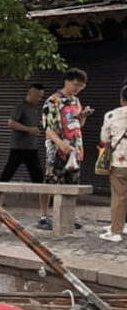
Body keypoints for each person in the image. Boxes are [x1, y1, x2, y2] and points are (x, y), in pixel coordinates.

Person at [38, 68, 94, 230]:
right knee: (50, 182)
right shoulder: (53, 101)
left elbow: (78, 125)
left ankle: (66, 216)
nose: (77, 88)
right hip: (57, 148)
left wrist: (82, 116)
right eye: (76, 84)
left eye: (81, 86)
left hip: (75, 147)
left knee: (71, 184)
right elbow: (48, 128)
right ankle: (44, 216)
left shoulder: (76, 101)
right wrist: (60, 143)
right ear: (66, 81)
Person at [0, 84, 46, 183]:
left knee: (38, 176)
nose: (39, 99)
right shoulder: (21, 106)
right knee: (8, 173)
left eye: (41, 96)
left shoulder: (35, 108)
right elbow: (11, 123)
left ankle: (46, 198)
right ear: (29, 93)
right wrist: (29, 129)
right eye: (37, 96)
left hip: (31, 147)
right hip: (19, 147)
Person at [99, 85, 127, 242]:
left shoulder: (111, 115)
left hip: (120, 163)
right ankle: (122, 224)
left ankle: (116, 231)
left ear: (122, 99)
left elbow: (104, 139)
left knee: (119, 196)